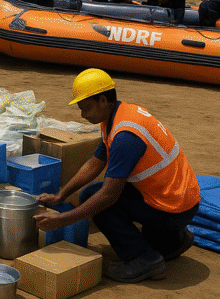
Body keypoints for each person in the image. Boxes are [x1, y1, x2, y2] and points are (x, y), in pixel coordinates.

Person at [34, 68, 200, 283]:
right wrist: (61, 195)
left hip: (172, 208)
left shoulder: (126, 136)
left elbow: (108, 196)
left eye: (87, 108)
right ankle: (173, 241)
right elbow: (95, 163)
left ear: (103, 100)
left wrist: (61, 220)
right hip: (179, 199)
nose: (83, 115)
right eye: (81, 109)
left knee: (97, 200)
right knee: (96, 193)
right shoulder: (119, 115)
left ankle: (144, 260)